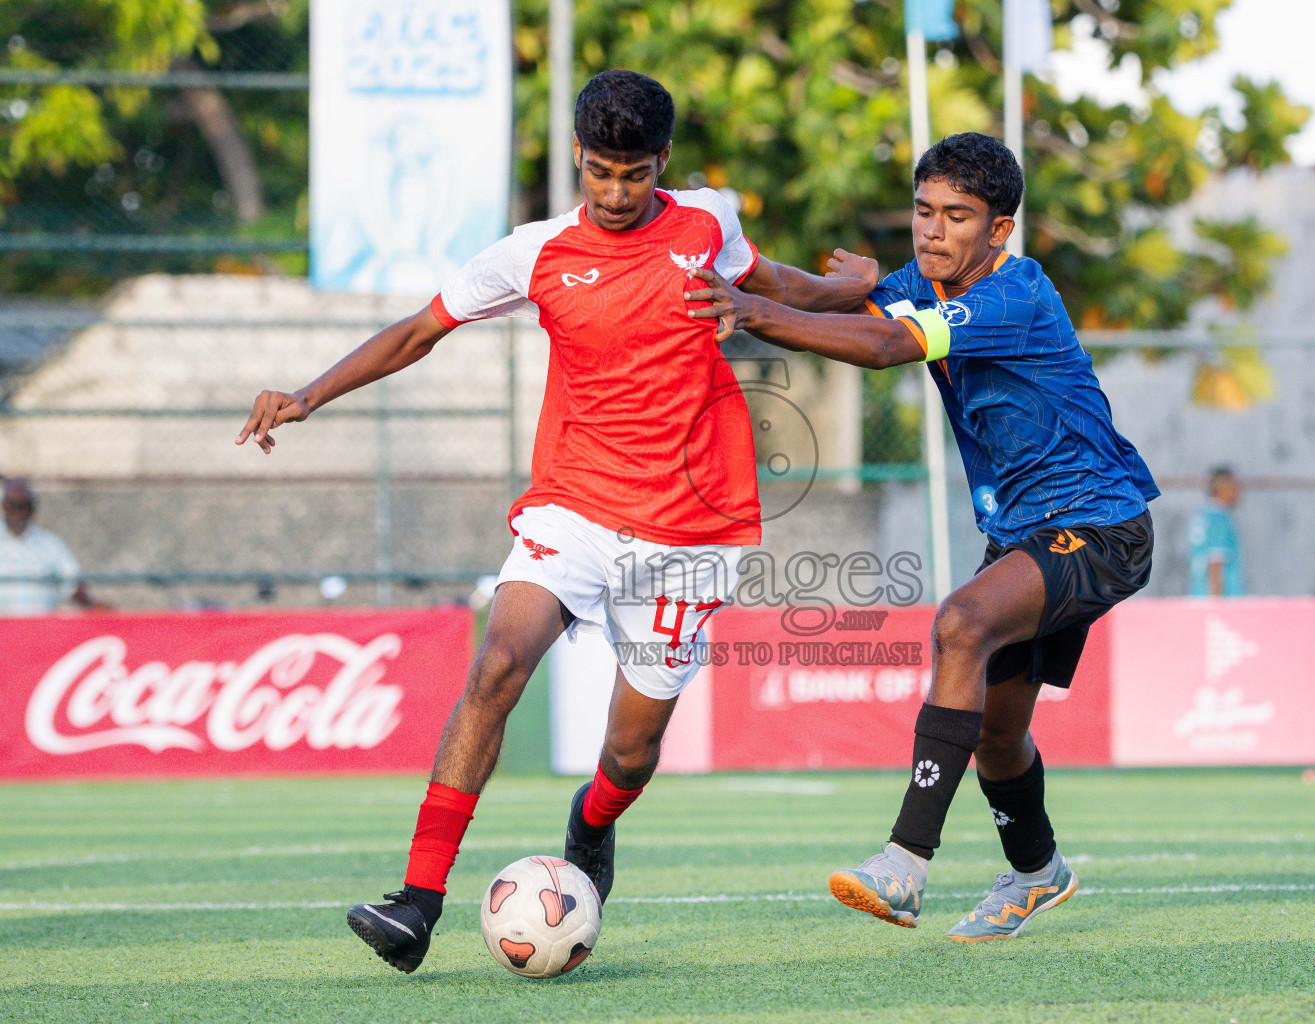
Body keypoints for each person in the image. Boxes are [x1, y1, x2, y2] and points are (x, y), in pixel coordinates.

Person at [236, 70, 876, 973]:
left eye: (634, 175)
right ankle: (417, 902)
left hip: (690, 530)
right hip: (573, 504)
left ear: (664, 164)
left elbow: (775, 288)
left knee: (630, 748)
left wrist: (851, 290)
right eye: (600, 173)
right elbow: (418, 332)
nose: (615, 194)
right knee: (497, 666)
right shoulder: (530, 253)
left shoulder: (706, 224)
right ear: (578, 155)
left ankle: (592, 820)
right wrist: (307, 395)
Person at [685, 132, 1158, 941]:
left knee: (959, 623)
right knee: (999, 735)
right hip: (1024, 534)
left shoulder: (1013, 297)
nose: (933, 231)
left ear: (999, 231)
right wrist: (726, 256)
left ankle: (905, 863)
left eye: (958, 217)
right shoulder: (925, 281)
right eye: (923, 211)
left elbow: (884, 344)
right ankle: (1039, 872)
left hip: (1099, 525)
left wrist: (759, 314)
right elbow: (824, 296)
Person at [0, 478, 108, 615]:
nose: (18, 512)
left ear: (32, 509)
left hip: (40, 629)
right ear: (3, 507)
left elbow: (71, 583)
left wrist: (92, 604)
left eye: (23, 506)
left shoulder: (50, 544)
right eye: (12, 505)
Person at [1187, 466, 1244, 597]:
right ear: (1222, 488)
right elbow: (1215, 563)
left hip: (1198, 595)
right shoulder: (1219, 518)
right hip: (1219, 603)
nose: (1238, 492)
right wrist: (1217, 607)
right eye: (1235, 486)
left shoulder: (1200, 516)